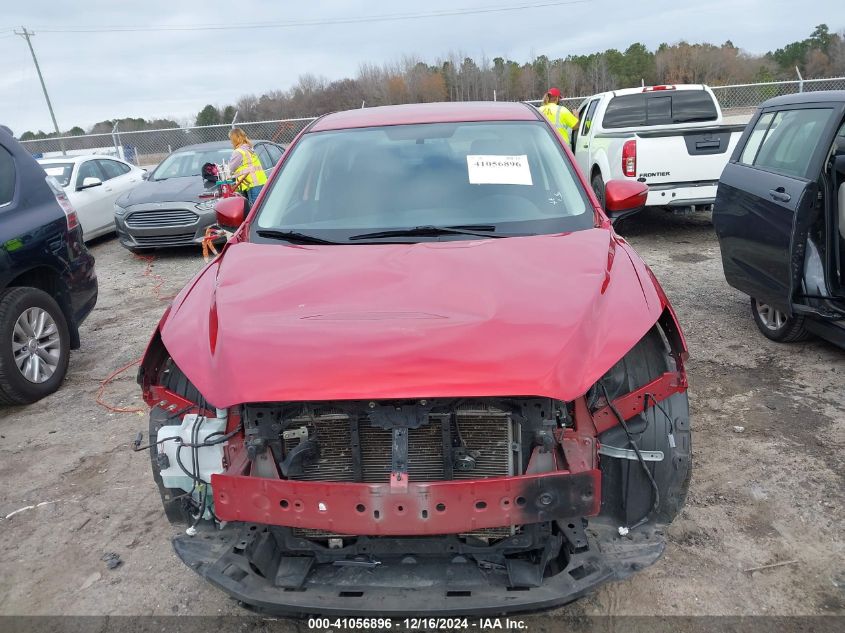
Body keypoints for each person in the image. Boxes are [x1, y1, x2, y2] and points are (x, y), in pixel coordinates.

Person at [227, 128, 267, 204]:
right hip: (261, 182)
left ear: (235, 139)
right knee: (261, 208)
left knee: (255, 211)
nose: (231, 142)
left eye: (231, 139)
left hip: (252, 185)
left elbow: (230, 169)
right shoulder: (249, 149)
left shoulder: (238, 152)